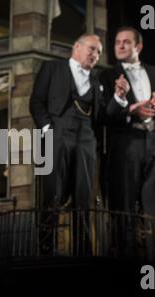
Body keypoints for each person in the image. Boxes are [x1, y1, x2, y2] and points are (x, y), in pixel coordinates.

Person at [100, 27, 155, 260]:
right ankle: (124, 260)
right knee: (123, 202)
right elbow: (104, 114)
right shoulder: (106, 75)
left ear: (139, 47)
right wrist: (129, 107)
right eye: (117, 42)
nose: (121, 46)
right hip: (127, 142)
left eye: (126, 42)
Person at [30, 34, 104, 253]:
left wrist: (119, 97)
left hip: (86, 139)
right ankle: (46, 249)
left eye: (99, 52)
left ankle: (83, 250)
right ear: (77, 47)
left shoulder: (98, 80)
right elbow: (36, 101)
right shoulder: (52, 68)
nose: (95, 55)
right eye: (92, 49)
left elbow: (102, 115)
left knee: (84, 195)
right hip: (57, 134)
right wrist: (48, 129)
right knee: (52, 192)